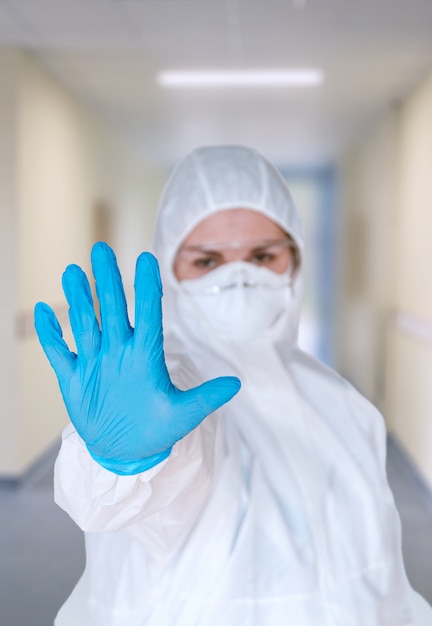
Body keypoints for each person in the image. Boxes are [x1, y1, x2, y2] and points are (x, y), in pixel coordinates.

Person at [34, 145, 432, 625]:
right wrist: (125, 464)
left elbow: (380, 577)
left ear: (296, 260)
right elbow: (146, 492)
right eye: (207, 261)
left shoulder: (343, 403)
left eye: (263, 255)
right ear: (170, 267)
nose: (240, 278)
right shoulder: (177, 382)